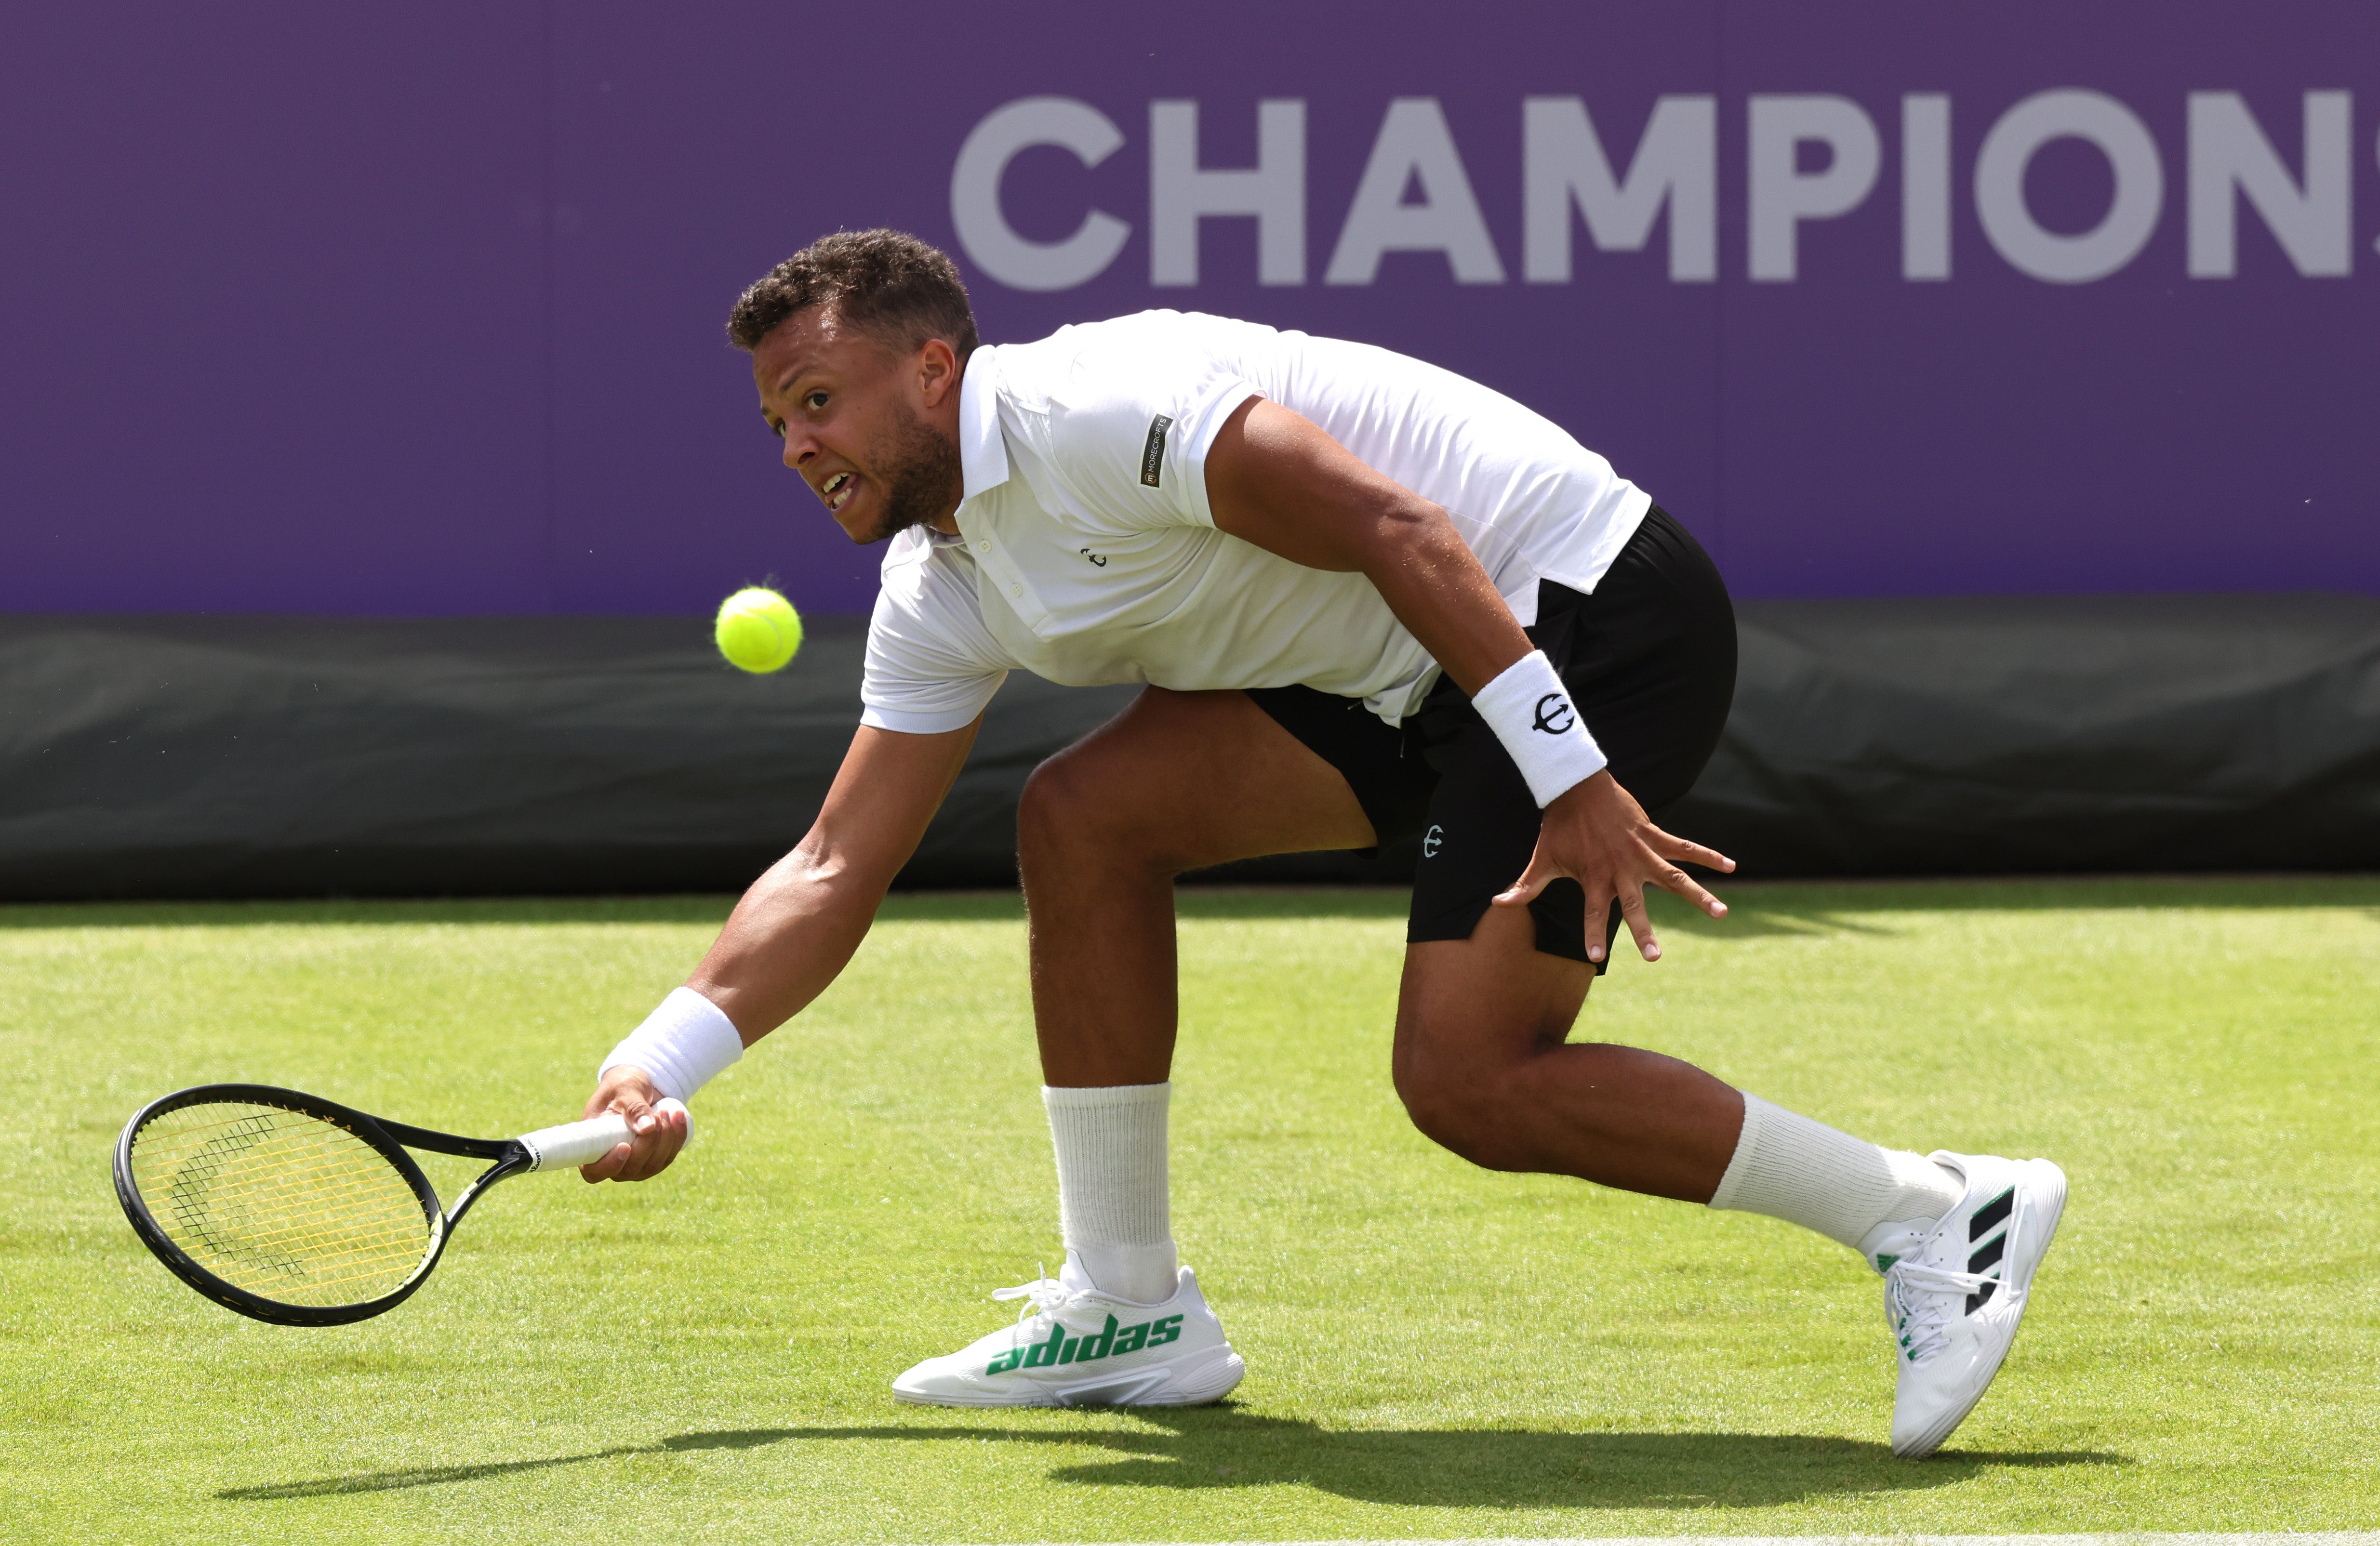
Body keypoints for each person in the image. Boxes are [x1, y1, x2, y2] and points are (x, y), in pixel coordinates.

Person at [578, 228, 2065, 1457]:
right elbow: (837, 863)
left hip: (1575, 606)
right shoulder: (942, 583)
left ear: (931, 368)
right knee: (1084, 818)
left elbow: (1405, 531)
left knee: (1469, 1080)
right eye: (774, 420)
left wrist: (1573, 778)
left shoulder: (1096, 409)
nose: (793, 444)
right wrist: (661, 1059)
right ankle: (1128, 1303)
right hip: (1387, 676)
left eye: (816, 400)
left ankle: (1935, 1210)